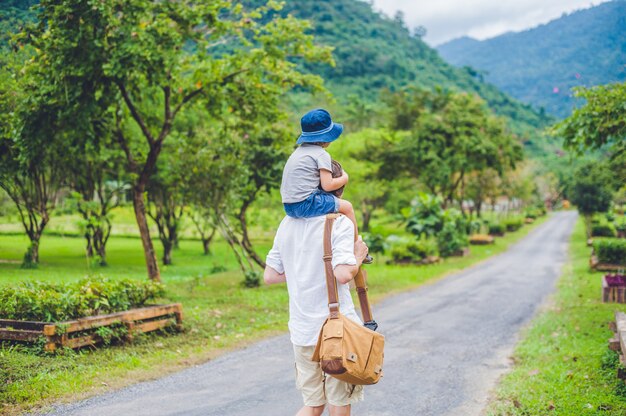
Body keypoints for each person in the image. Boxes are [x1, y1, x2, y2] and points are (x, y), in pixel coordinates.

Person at [264, 197, 370, 415]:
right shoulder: (338, 222)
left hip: (302, 332)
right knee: (338, 402)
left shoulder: (287, 223)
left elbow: (271, 275)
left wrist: (302, 270)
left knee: (313, 405)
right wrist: (358, 257)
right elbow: (342, 274)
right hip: (336, 333)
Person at [280, 108, 359, 239]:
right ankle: (356, 244)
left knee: (330, 199)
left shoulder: (298, 152)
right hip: (305, 203)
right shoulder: (321, 154)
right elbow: (328, 185)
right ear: (326, 137)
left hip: (288, 206)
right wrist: (345, 178)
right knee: (347, 207)